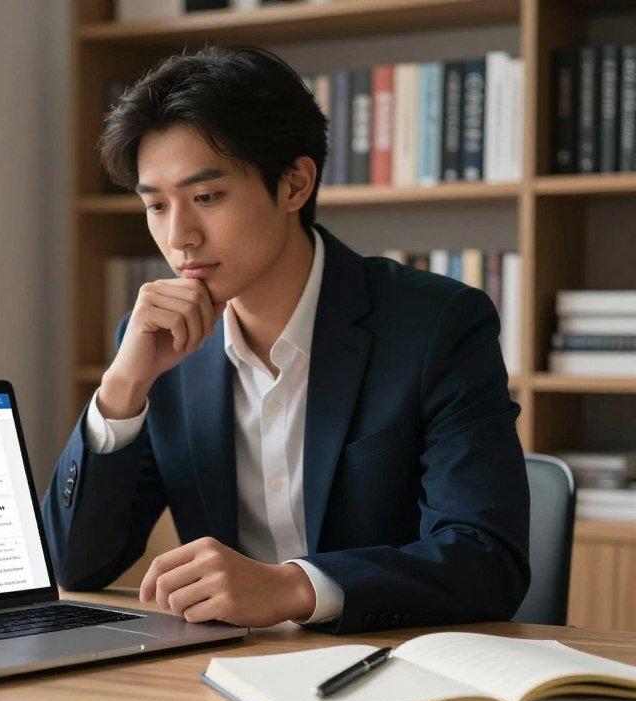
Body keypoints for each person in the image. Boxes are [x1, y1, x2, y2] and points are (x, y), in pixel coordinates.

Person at [41, 46, 530, 633]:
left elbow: (486, 560)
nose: (179, 237)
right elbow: (74, 566)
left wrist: (296, 587)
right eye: (156, 205)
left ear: (295, 184)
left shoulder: (438, 325)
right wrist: (121, 390)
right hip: (225, 666)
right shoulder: (157, 345)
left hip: (390, 658)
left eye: (206, 197)